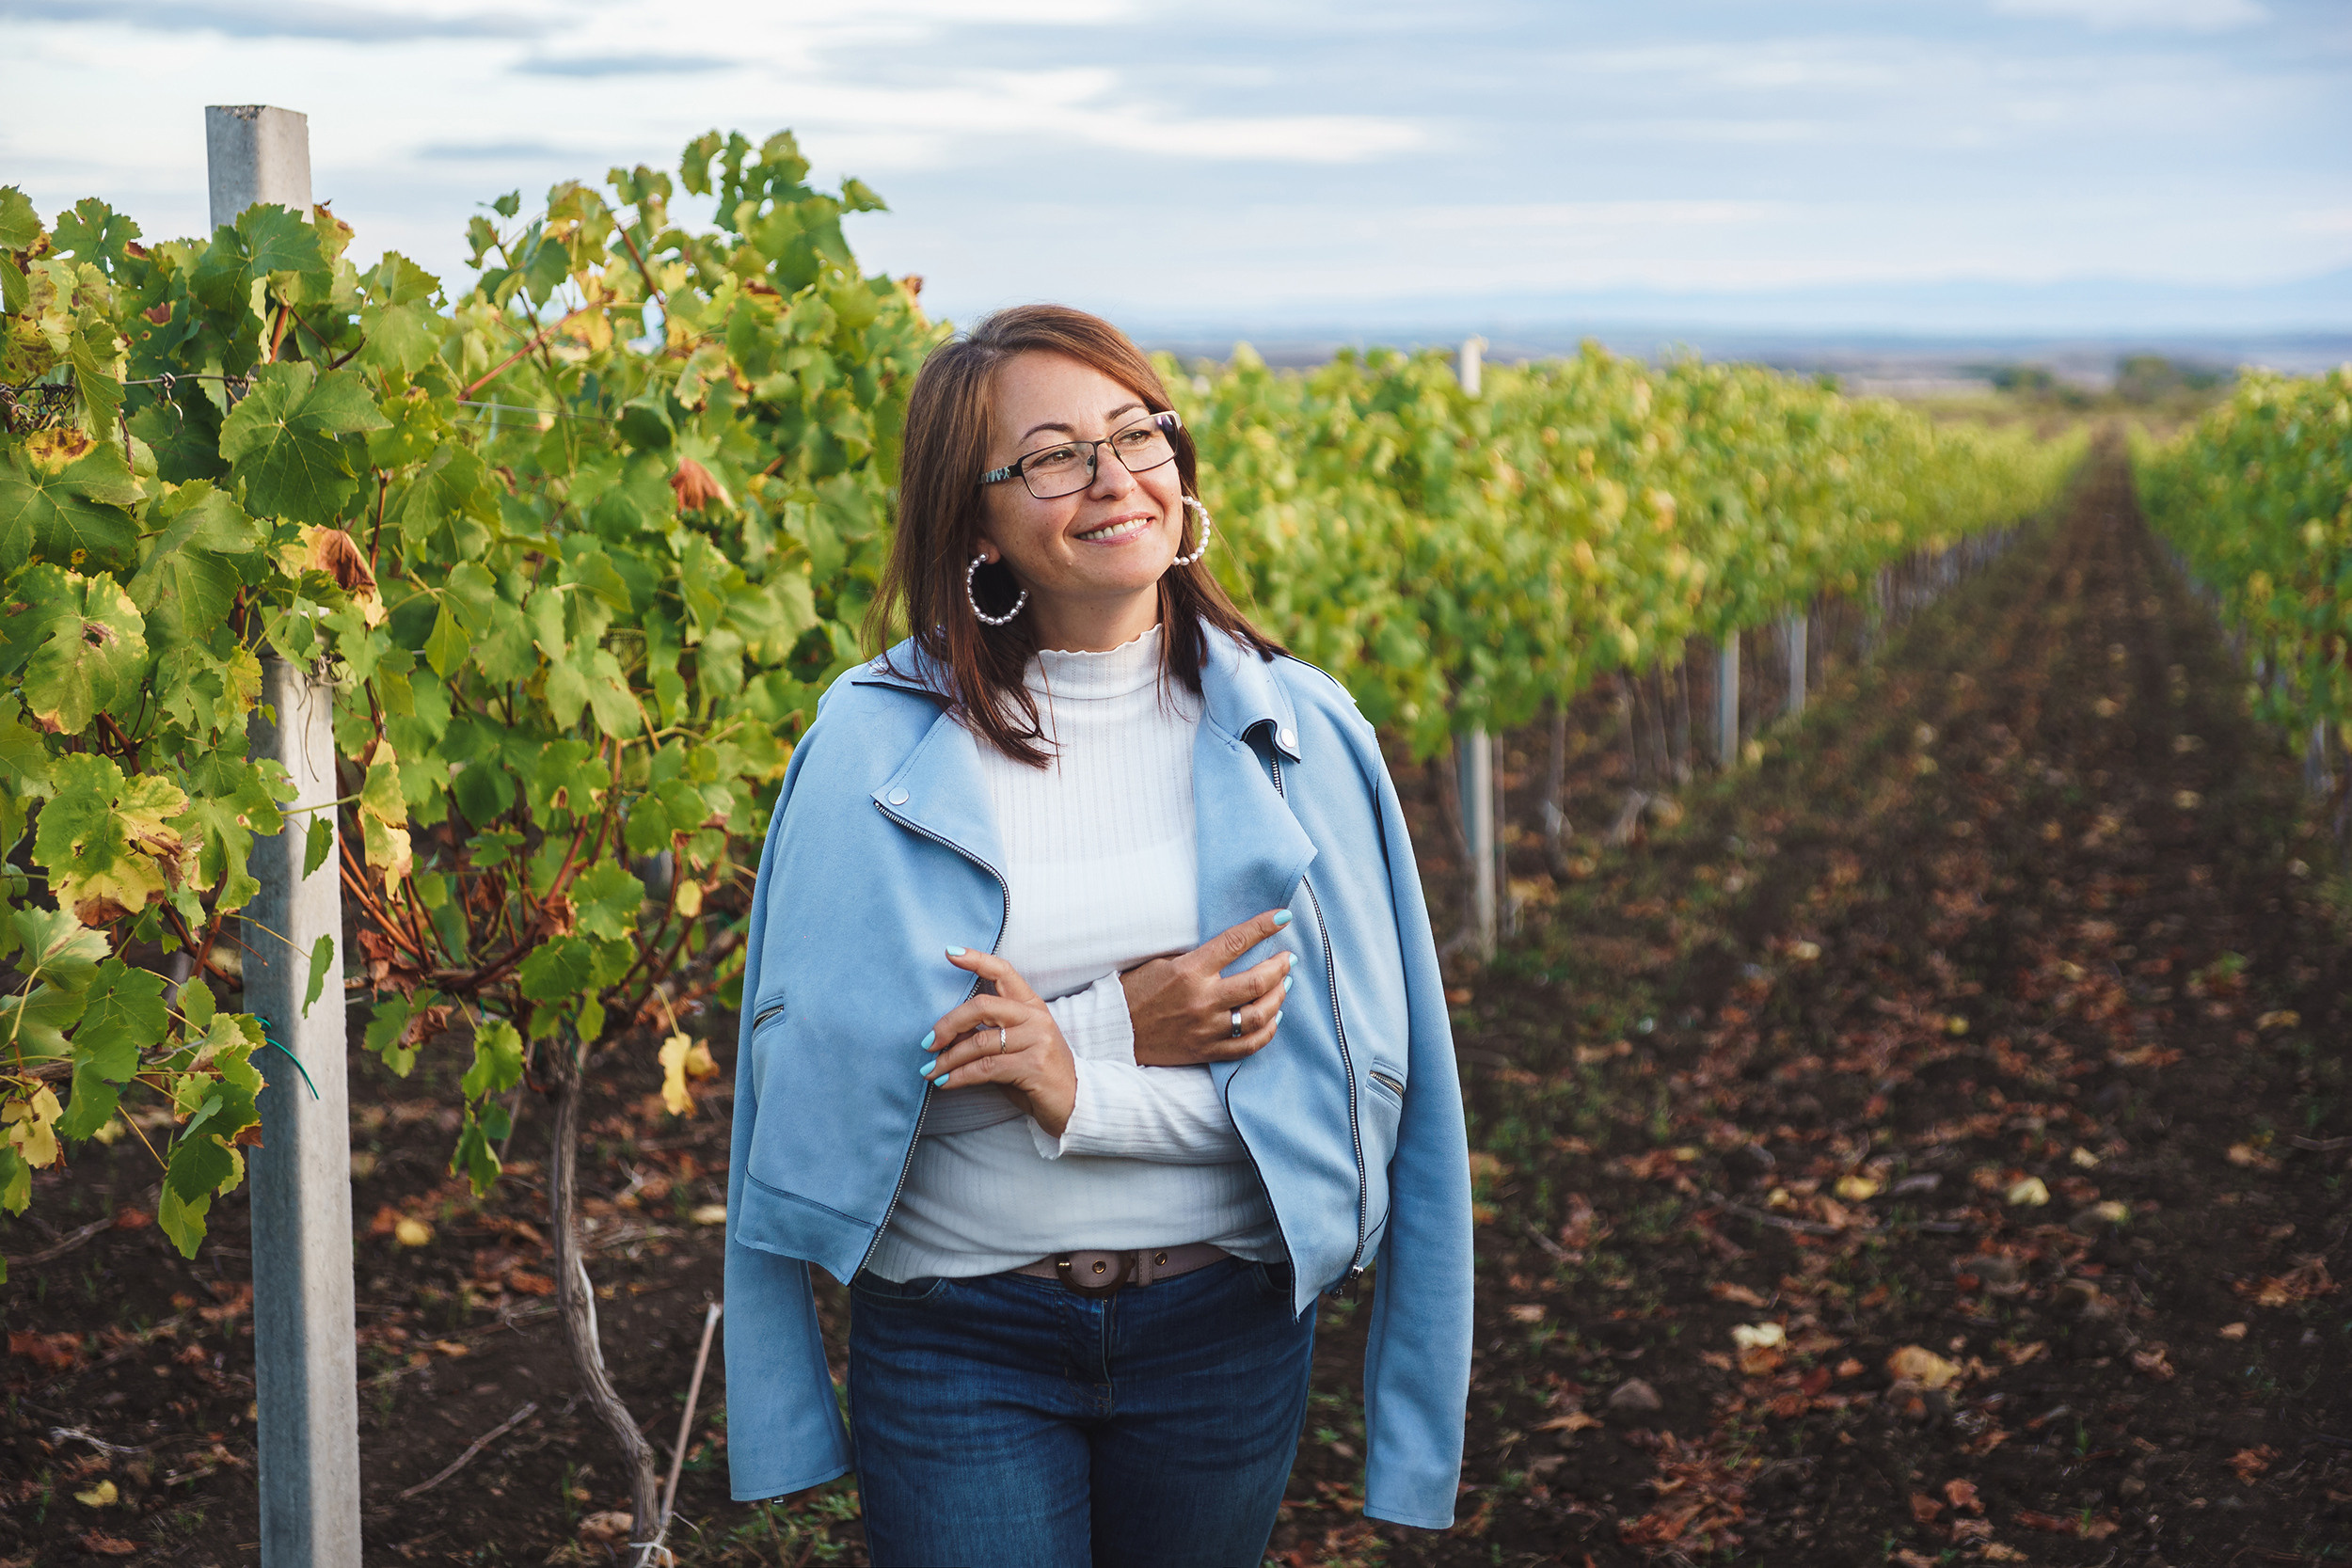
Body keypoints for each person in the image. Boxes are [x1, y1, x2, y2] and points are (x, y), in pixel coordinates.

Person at [722, 304, 1471, 1566]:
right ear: (976, 520)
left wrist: (1066, 1077)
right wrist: (1124, 1023)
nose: (1116, 477)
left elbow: (1341, 1106)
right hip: (961, 1332)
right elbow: (820, 1102)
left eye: (1139, 434)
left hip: (1222, 1335)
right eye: (1056, 455)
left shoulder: (1306, 733)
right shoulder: (867, 741)